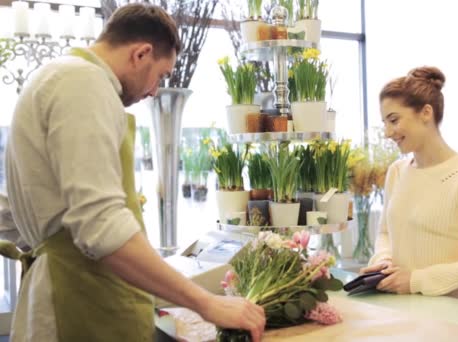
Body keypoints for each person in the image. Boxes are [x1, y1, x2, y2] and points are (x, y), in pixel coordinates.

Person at [5, 4, 264, 341]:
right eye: (160, 75)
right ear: (141, 54)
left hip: (73, 293)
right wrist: (206, 303)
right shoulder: (84, 84)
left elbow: (22, 213)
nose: (155, 91)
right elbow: (102, 224)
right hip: (81, 304)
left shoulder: (56, 77)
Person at [360, 66, 458, 301]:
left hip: (453, 323)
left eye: (393, 120)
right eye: (384, 123)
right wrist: (384, 261)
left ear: (425, 113)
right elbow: (385, 233)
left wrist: (416, 281)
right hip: (401, 314)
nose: (387, 132)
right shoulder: (397, 172)